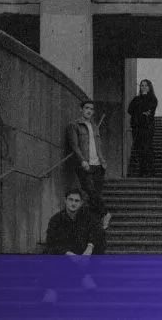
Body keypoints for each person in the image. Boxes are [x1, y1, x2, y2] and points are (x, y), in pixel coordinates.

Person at [42, 188, 106, 303]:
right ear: (65, 200)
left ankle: (85, 275)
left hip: (84, 256)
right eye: (70, 200)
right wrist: (69, 254)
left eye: (77, 201)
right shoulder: (56, 219)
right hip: (66, 256)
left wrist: (89, 248)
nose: (73, 203)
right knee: (48, 252)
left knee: (100, 238)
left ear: (81, 203)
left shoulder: (88, 217)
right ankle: (52, 290)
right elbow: (51, 242)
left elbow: (98, 231)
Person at [66, 100, 112, 229]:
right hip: (84, 164)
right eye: (86, 108)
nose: (89, 111)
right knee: (90, 191)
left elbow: (98, 145)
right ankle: (106, 214)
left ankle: (95, 225)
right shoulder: (74, 125)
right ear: (81, 109)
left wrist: (102, 161)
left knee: (95, 196)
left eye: (91, 109)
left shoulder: (94, 126)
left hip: (98, 165)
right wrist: (82, 160)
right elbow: (74, 146)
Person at [128, 79, 158, 177]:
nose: (144, 87)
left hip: (147, 127)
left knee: (147, 148)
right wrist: (142, 112)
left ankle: (151, 171)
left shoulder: (153, 99)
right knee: (138, 149)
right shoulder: (136, 99)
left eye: (146, 85)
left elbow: (149, 112)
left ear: (149, 87)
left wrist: (140, 111)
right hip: (137, 128)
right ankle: (142, 171)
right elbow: (130, 110)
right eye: (142, 85)